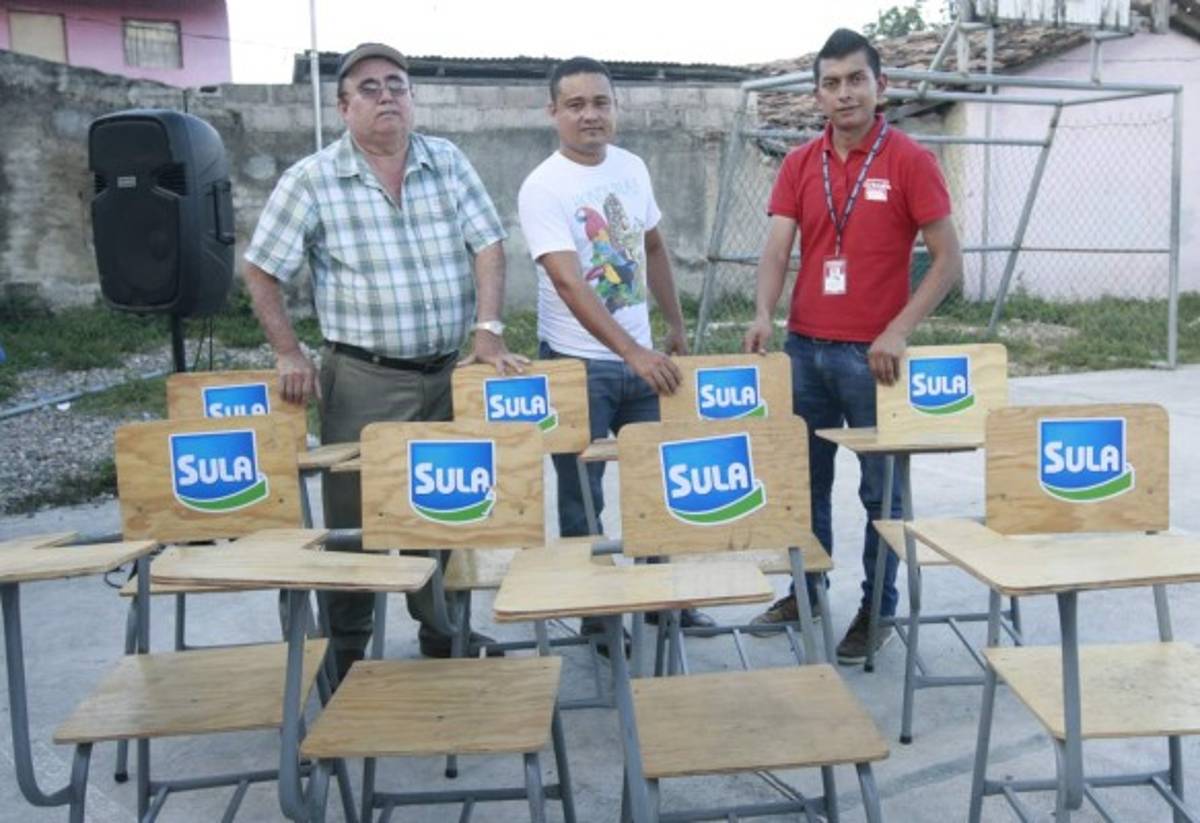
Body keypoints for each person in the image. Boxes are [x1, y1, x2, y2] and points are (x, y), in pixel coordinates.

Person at [243, 43, 526, 679]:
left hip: (448, 373)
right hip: (363, 379)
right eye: (369, 88)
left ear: (412, 98)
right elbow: (261, 269)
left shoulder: (446, 160)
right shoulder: (312, 179)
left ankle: (444, 628)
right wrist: (288, 351)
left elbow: (489, 243)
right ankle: (347, 646)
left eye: (397, 84)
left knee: (448, 505)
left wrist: (488, 331)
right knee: (355, 518)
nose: (387, 96)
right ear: (344, 107)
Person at [743, 29, 963, 665]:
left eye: (856, 80)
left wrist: (899, 329)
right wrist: (764, 313)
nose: (845, 94)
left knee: (881, 495)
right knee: (804, 484)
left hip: (873, 360)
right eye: (832, 83)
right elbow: (777, 249)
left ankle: (877, 611)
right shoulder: (799, 163)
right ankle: (807, 592)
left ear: (880, 86)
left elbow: (948, 261)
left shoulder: (910, 161)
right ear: (817, 95)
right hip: (804, 350)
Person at [518, 56, 714, 645]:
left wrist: (673, 326)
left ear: (615, 108)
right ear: (553, 112)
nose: (590, 115)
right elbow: (568, 282)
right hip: (577, 365)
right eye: (575, 105)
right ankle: (597, 615)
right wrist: (633, 353)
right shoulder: (543, 186)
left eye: (600, 102)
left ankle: (662, 599)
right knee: (583, 496)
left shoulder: (632, 167)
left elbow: (652, 248)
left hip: (643, 358)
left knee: (658, 483)